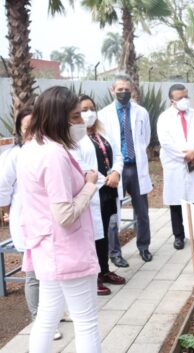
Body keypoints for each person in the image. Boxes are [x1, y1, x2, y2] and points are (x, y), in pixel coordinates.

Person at [16, 86, 101, 353]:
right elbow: (64, 215)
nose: (81, 122)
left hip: (48, 248)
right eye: (75, 116)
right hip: (66, 249)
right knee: (86, 321)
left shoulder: (32, 147)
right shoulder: (53, 154)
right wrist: (89, 184)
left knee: (47, 316)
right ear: (58, 117)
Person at [0, 106, 65, 340]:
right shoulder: (14, 156)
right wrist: (8, 214)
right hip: (26, 221)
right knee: (34, 273)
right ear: (19, 130)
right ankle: (39, 318)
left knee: (52, 269)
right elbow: (3, 189)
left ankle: (53, 313)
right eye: (26, 128)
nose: (31, 132)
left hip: (49, 222)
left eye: (34, 127)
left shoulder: (49, 151)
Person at [70, 95, 126, 296]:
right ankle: (92, 278)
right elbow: (79, 166)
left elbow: (118, 155)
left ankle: (104, 270)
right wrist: (105, 179)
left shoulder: (102, 133)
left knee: (105, 233)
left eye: (92, 108)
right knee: (93, 235)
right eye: (83, 110)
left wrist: (116, 172)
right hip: (93, 192)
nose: (89, 113)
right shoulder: (74, 138)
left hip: (109, 190)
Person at [98, 74, 153, 264]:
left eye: (126, 89)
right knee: (114, 213)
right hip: (115, 170)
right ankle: (114, 253)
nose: (123, 92)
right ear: (112, 91)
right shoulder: (103, 114)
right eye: (119, 89)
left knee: (142, 212)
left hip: (136, 167)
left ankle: (144, 247)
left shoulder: (141, 112)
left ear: (132, 90)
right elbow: (103, 143)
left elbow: (145, 138)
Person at [157, 84, 194, 249]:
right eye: (180, 98)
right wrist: (184, 155)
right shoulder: (164, 118)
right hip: (175, 163)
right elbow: (165, 142)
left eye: (186, 96)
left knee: (193, 199)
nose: (184, 100)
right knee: (176, 201)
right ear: (172, 100)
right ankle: (178, 236)